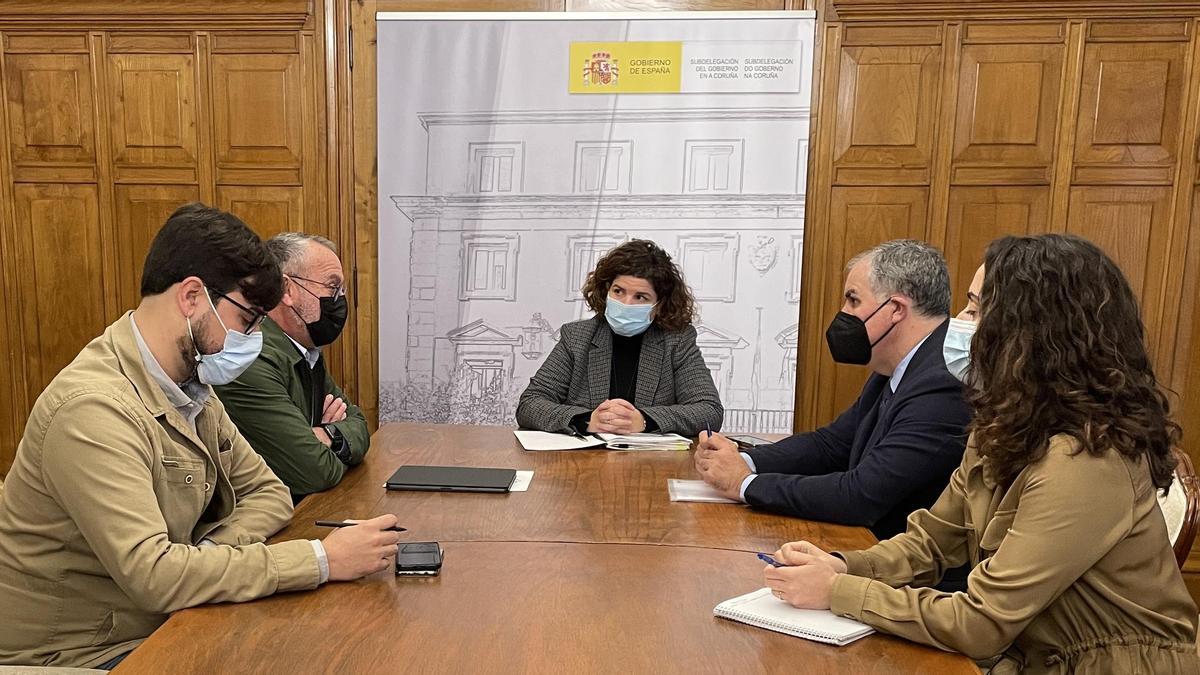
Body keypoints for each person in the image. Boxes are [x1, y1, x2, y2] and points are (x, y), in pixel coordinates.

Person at [762, 234, 1199, 673]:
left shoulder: (1085, 459)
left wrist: (839, 591)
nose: (958, 322)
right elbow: (932, 541)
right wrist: (842, 566)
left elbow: (981, 621)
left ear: (1030, 333)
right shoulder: (1003, 425)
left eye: (974, 309)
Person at [0, 204, 400, 669]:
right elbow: (155, 576)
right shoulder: (93, 409)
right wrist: (319, 560)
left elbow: (269, 492)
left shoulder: (193, 388)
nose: (253, 336)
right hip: (80, 655)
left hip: (164, 620)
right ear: (192, 296)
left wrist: (204, 555)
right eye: (248, 319)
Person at [695, 240, 970, 543]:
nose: (843, 313)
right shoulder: (896, 369)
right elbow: (831, 445)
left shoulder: (942, 383)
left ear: (895, 310)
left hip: (906, 574)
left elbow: (862, 495)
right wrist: (743, 460)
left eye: (853, 301)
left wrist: (745, 484)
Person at [215, 233, 369, 501]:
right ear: (287, 290)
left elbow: (360, 424)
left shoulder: (306, 351)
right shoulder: (251, 358)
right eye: (332, 288)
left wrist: (329, 435)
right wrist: (325, 444)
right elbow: (314, 471)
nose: (339, 300)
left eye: (342, 291)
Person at [516, 239, 722, 437]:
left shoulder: (677, 341)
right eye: (618, 291)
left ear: (659, 305)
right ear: (606, 291)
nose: (626, 303)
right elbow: (530, 404)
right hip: (584, 462)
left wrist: (643, 421)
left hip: (652, 464)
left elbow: (708, 411)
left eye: (640, 297)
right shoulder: (577, 337)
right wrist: (587, 420)